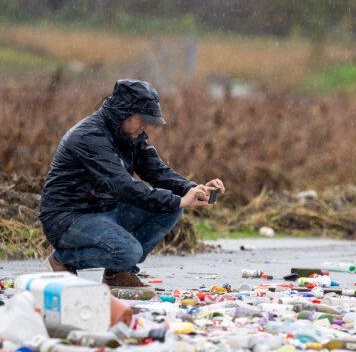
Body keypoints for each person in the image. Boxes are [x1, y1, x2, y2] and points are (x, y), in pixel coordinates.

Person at [39, 79, 225, 287]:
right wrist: (178, 201)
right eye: (142, 119)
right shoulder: (89, 136)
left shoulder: (130, 134)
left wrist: (191, 188)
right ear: (123, 112)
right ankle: (62, 259)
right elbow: (122, 186)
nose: (146, 126)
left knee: (169, 209)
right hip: (68, 217)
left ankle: (116, 274)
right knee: (129, 251)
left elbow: (156, 171)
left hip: (105, 210)